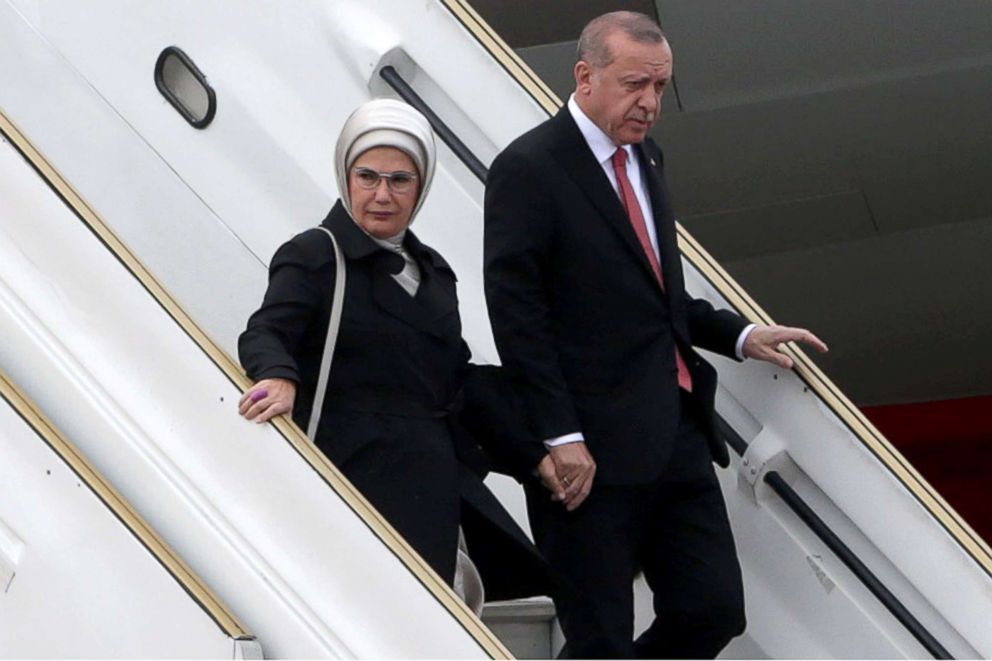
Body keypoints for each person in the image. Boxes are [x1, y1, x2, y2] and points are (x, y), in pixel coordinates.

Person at [484, 11, 829, 659]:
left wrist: (739, 332)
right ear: (585, 77)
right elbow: (517, 318)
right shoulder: (528, 169)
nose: (650, 103)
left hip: (673, 432)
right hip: (586, 454)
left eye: (661, 87)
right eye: (636, 84)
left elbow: (655, 292)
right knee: (600, 638)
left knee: (713, 609)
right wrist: (560, 435)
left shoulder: (645, 156)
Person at [237, 98, 549, 604]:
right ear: (346, 178)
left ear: (420, 187)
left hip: (430, 483)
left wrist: (533, 453)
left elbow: (456, 380)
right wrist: (278, 375)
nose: (382, 194)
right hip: (349, 477)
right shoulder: (317, 252)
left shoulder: (434, 271)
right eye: (368, 177)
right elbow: (266, 330)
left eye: (400, 180)